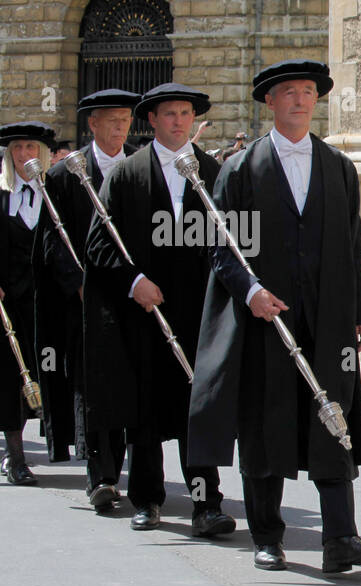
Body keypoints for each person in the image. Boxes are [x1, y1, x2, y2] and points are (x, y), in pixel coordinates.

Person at [188, 60, 361, 575]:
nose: (300, 100)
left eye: (307, 92)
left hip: (328, 318)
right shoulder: (242, 168)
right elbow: (223, 246)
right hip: (266, 319)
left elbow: (351, 245)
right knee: (266, 422)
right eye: (289, 93)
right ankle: (267, 536)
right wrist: (250, 290)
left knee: (332, 417)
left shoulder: (338, 167)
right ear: (270, 102)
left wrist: (360, 314)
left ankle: (341, 538)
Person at [83, 83, 236, 538]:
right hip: (145, 314)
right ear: (151, 120)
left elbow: (232, 240)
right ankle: (146, 499)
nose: (178, 122)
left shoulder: (212, 172)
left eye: (185, 113)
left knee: (199, 406)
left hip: (200, 314)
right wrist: (134, 282)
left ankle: (205, 502)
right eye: (168, 114)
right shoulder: (127, 175)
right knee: (146, 409)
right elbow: (98, 242)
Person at [38, 90, 138, 512]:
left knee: (125, 383)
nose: (119, 127)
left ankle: (123, 465)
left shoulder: (139, 168)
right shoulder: (64, 174)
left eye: (125, 120)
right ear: (92, 125)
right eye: (110, 120)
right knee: (91, 385)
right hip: (84, 302)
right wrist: (76, 281)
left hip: (130, 297)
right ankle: (101, 475)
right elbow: (51, 240)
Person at [0, 121, 57, 485]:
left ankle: (63, 446)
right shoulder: (1, 194)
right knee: (8, 377)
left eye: (31, 148)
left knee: (50, 373)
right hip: (8, 300)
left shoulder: (55, 193)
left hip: (47, 300)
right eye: (18, 148)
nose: (25, 155)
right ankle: (16, 456)